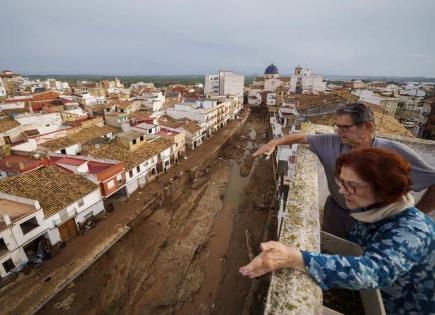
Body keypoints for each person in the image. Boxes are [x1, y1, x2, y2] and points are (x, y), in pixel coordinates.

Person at [240, 148, 435, 314]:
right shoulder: (370, 210)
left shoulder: (413, 231)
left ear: (383, 189)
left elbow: (372, 272)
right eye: (342, 182)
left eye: (352, 186)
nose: (342, 191)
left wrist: (294, 258)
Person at [253, 102, 435, 238]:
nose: (339, 131)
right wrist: (274, 142)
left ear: (367, 127)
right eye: (337, 126)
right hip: (337, 213)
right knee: (333, 248)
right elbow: (302, 137)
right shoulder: (332, 142)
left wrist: (419, 213)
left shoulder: (393, 153)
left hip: (377, 221)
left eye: (345, 127)